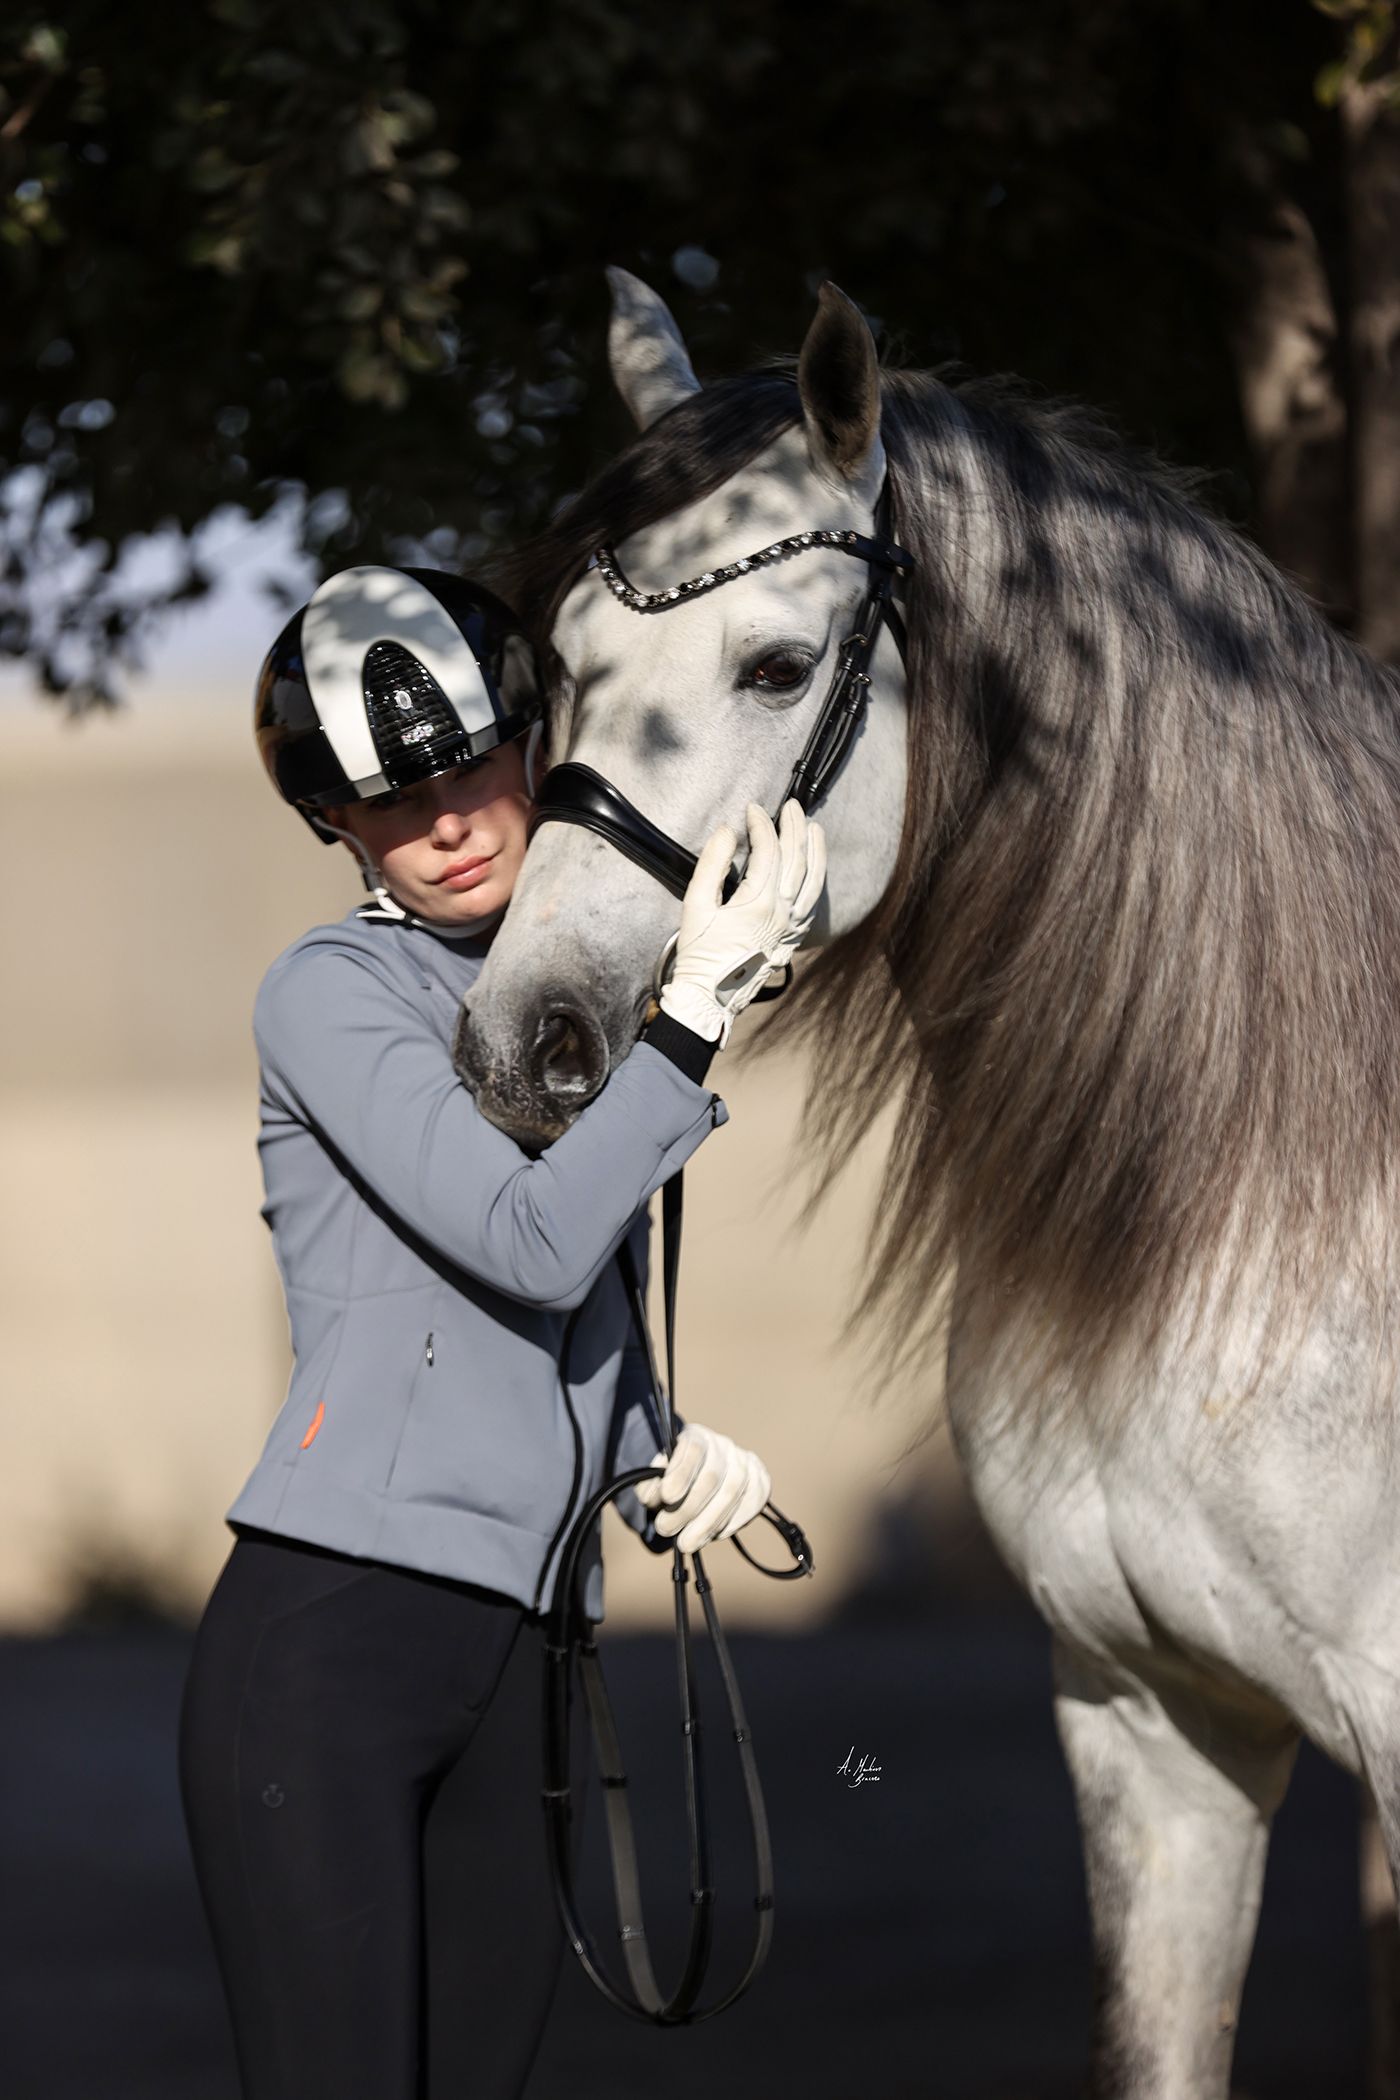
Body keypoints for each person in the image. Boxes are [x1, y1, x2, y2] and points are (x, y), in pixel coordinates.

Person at [176, 561, 826, 2100]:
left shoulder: (569, 1006)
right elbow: (526, 1243)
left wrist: (660, 1453)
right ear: (335, 826)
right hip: (331, 1649)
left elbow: (561, 1319)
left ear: (533, 750)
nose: (453, 823)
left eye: (472, 770)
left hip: (531, 1652)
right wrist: (692, 1022)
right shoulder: (328, 993)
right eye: (395, 803)